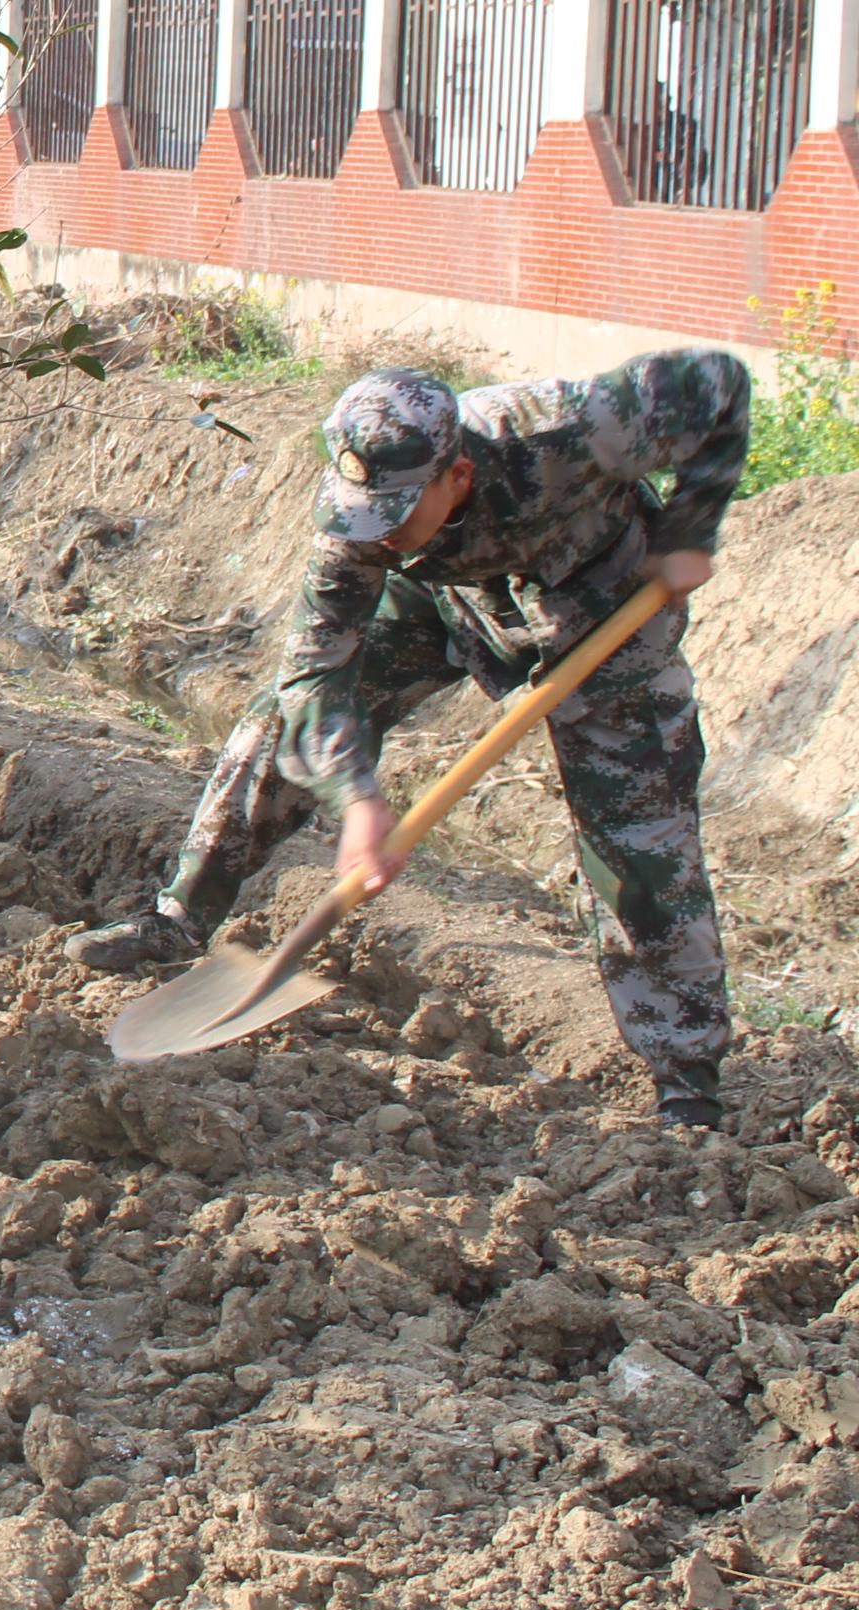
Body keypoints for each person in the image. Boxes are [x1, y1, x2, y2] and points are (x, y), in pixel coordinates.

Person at [67, 359, 749, 1127]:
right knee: (273, 726)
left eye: (393, 513)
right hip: (446, 598)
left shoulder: (578, 426)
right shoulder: (361, 526)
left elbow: (719, 385)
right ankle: (178, 918)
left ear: (456, 475)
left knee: (640, 836)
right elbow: (314, 681)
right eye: (364, 513)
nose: (374, 532)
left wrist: (693, 528)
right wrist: (357, 798)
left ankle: (686, 1079)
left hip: (603, 608)